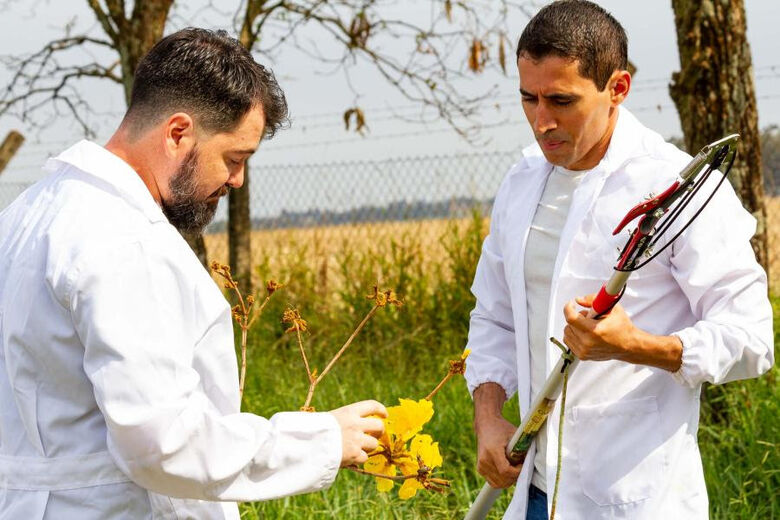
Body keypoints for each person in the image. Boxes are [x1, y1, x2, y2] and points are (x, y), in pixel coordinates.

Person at [0, 28, 386, 519]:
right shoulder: (124, 241)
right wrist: (320, 441)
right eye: (234, 158)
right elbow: (162, 443)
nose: (237, 180)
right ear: (178, 132)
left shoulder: (27, 214)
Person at [463, 1, 774, 519]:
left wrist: (638, 346)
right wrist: (488, 416)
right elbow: (494, 316)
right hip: (534, 495)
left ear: (618, 89)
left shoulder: (675, 188)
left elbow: (752, 339)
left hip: (635, 501)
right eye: (528, 98)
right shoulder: (521, 182)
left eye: (561, 100)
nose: (542, 122)